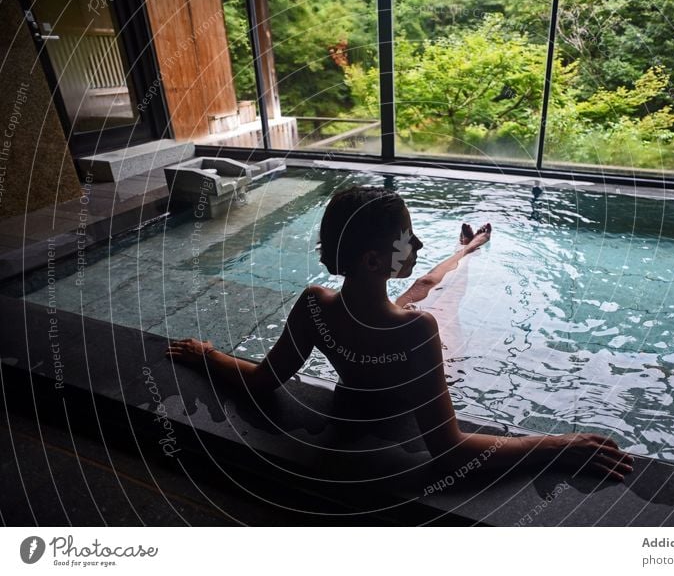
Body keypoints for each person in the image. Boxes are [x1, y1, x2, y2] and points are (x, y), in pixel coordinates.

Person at [167, 186, 634, 480]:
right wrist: (557, 446)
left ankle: (467, 249)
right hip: (421, 355)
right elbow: (450, 452)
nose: (417, 242)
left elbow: (262, 381)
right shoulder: (416, 331)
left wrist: (206, 353)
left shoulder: (315, 305)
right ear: (373, 259)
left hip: (377, 326)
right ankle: (467, 252)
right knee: (436, 299)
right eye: (408, 237)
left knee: (425, 285)